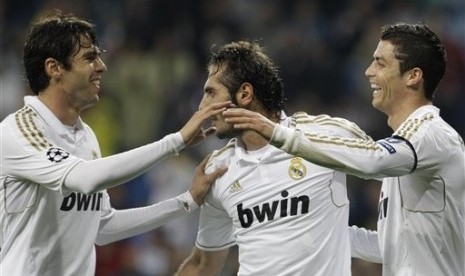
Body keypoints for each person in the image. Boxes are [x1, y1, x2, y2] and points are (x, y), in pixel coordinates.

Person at [0, 10, 230, 276]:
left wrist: (187, 200)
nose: (101, 66)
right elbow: (83, 178)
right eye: (89, 58)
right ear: (54, 68)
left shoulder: (85, 137)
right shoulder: (19, 132)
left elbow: (102, 226)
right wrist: (175, 142)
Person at [223, 23, 465, 275]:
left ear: (413, 76)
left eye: (380, 63)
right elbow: (391, 246)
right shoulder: (410, 147)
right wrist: (307, 228)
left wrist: (278, 134)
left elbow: (373, 160)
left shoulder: (430, 133)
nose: (369, 72)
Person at [175, 40, 371, 276]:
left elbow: (394, 167)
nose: (201, 106)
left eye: (210, 93)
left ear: (245, 94)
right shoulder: (218, 170)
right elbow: (202, 266)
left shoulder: (326, 135)